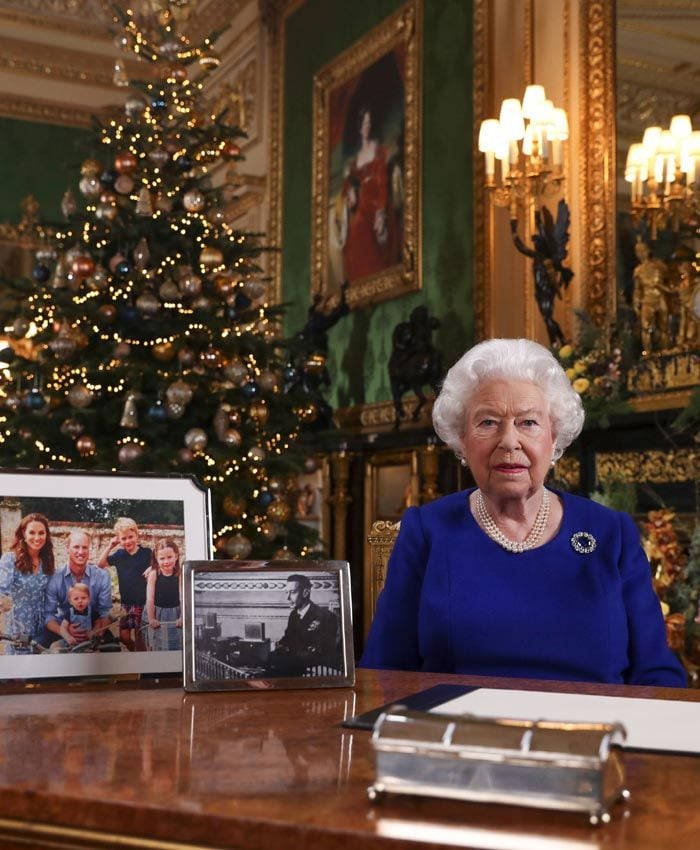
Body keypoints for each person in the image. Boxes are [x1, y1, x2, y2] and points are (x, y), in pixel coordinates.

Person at [361, 338, 686, 687]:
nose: (509, 441)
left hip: (592, 735)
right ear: (461, 438)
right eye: (488, 422)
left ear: (554, 436)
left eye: (528, 422)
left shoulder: (611, 533)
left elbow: (656, 672)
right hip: (460, 734)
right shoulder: (427, 531)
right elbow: (384, 671)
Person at [337, 106, 396, 282]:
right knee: (356, 226)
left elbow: (383, 182)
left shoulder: (378, 151)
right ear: (359, 127)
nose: (367, 127)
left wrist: (380, 212)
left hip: (377, 204)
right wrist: (351, 193)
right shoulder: (355, 161)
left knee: (360, 224)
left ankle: (371, 275)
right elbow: (348, 187)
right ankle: (360, 279)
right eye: (364, 123)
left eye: (369, 123)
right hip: (361, 208)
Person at [45, 530, 113, 645]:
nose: (81, 552)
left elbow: (105, 613)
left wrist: (96, 632)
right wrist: (65, 632)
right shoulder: (55, 578)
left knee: (113, 649)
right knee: (42, 647)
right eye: (76, 547)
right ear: (67, 548)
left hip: (93, 628)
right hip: (63, 627)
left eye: (85, 547)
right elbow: (48, 615)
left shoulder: (102, 576)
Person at [0, 513, 55, 648]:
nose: (37, 537)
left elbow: (51, 595)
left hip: (42, 627)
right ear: (24, 534)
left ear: (46, 535)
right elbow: (1, 592)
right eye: (32, 532)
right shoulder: (10, 560)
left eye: (41, 533)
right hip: (18, 626)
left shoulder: (47, 562)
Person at [98, 518, 152, 651]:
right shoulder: (119, 555)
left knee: (140, 637)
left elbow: (158, 565)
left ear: (136, 535)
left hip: (142, 602)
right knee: (124, 637)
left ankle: (140, 660)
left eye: (130, 537)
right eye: (124, 538)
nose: (128, 541)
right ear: (119, 540)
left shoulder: (146, 553)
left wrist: (152, 568)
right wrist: (110, 546)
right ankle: (132, 650)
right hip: (126, 603)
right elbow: (100, 564)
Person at [270, 574, 339, 675]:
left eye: (292, 592)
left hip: (314, 670)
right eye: (287, 592)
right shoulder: (293, 615)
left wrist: (288, 652)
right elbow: (287, 638)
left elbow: (322, 652)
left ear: (305, 592)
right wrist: (278, 646)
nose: (287, 598)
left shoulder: (326, 617)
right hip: (294, 664)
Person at [142, 538, 182, 652]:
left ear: (176, 556)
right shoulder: (154, 574)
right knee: (157, 645)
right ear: (156, 559)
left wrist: (183, 616)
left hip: (175, 613)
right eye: (162, 558)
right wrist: (151, 618)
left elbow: (182, 597)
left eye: (169, 557)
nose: (166, 561)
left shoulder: (180, 574)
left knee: (176, 644)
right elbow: (150, 598)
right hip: (157, 612)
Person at [633, 238, 671, 352]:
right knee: (645, 328)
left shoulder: (659, 266)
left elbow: (668, 281)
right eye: (637, 251)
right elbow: (637, 289)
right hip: (647, 300)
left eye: (643, 250)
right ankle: (648, 355)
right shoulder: (638, 271)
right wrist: (636, 302)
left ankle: (665, 353)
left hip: (660, 298)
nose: (640, 254)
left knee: (664, 327)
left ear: (648, 250)